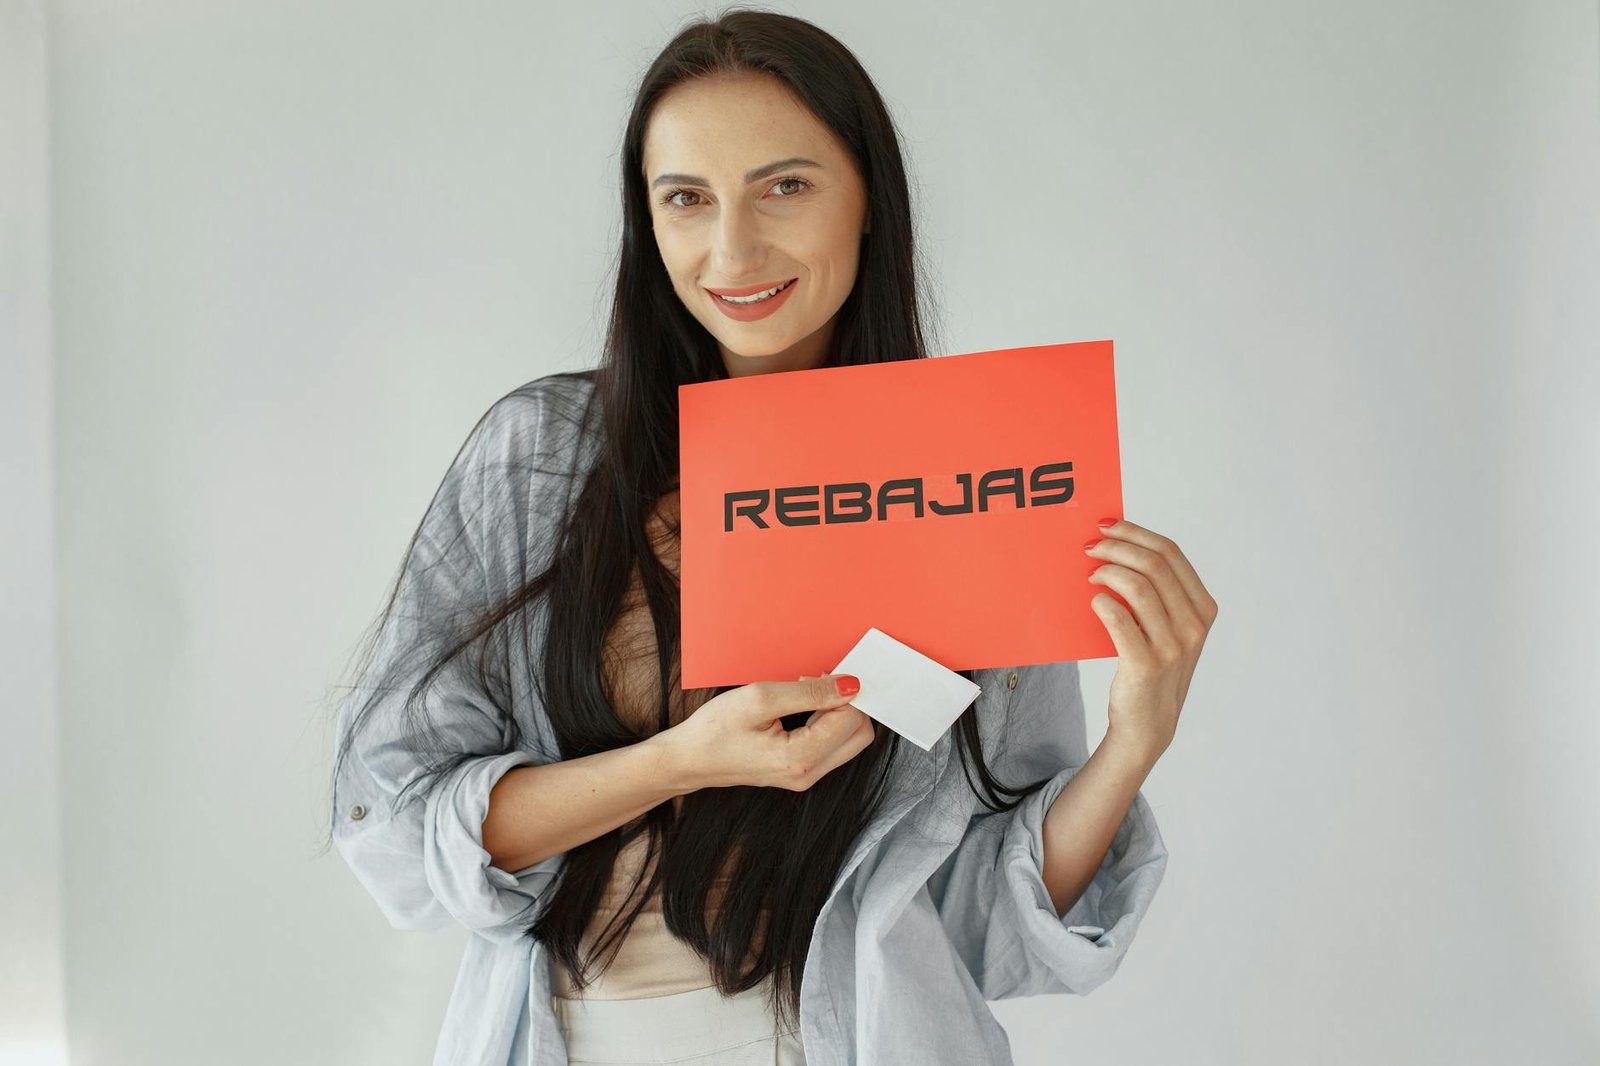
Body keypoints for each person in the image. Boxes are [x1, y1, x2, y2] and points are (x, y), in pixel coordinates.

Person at [326, 10, 1215, 1066]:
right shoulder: (542, 464)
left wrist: (1133, 741)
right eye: (686, 200)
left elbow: (988, 930)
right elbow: (393, 822)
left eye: (784, 185)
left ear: (869, 198)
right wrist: (675, 763)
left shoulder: (974, 475)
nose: (732, 250)